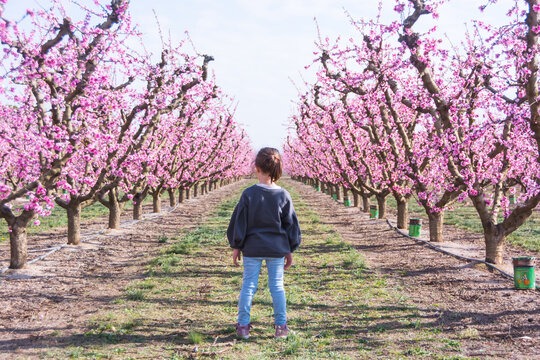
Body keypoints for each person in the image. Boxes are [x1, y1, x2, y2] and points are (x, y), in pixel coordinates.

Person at [227, 147, 301, 340]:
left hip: (252, 248)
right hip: (276, 249)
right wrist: (290, 249)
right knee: (277, 286)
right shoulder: (283, 195)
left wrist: (236, 246)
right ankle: (281, 327)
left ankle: (243, 326)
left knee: (248, 285)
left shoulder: (248, 194)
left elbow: (240, 222)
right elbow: (290, 225)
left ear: (256, 167)